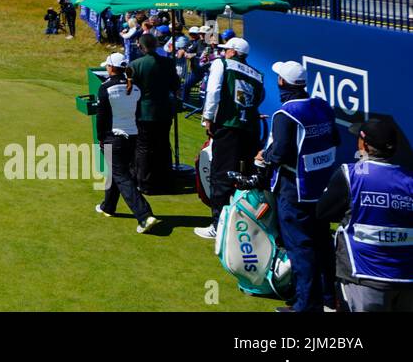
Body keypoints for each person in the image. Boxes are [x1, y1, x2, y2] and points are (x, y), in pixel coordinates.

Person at [257, 60, 340, 313]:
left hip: (295, 189)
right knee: (322, 243)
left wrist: (265, 156)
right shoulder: (322, 106)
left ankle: (306, 305)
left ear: (283, 82)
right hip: (321, 187)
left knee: (301, 246)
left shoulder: (286, 113)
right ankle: (328, 298)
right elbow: (334, 139)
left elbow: (280, 152)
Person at [317, 118, 413, 311]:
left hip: (362, 278)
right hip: (406, 279)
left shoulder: (350, 174)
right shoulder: (410, 180)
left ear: (365, 145)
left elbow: (322, 212)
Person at [195, 36, 265, 239]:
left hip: (228, 127)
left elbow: (214, 90)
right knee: (247, 177)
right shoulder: (258, 74)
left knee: (221, 176)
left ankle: (219, 226)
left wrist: (208, 117)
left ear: (233, 52)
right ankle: (250, 222)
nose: (224, 52)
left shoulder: (222, 63)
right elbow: (258, 98)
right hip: (250, 129)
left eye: (227, 49)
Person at [94, 52, 160, 233]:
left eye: (107, 65)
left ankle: (144, 216)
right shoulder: (135, 87)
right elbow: (137, 113)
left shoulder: (106, 87)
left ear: (111, 68)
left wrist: (100, 137)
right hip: (132, 137)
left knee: (122, 176)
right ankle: (108, 206)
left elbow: (102, 117)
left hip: (113, 137)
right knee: (117, 171)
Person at [132, 33, 180, 194]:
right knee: (163, 145)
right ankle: (165, 180)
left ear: (141, 46)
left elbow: (131, 89)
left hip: (144, 112)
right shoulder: (168, 63)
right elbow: (175, 85)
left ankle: (145, 183)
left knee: (144, 147)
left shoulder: (135, 64)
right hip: (164, 111)